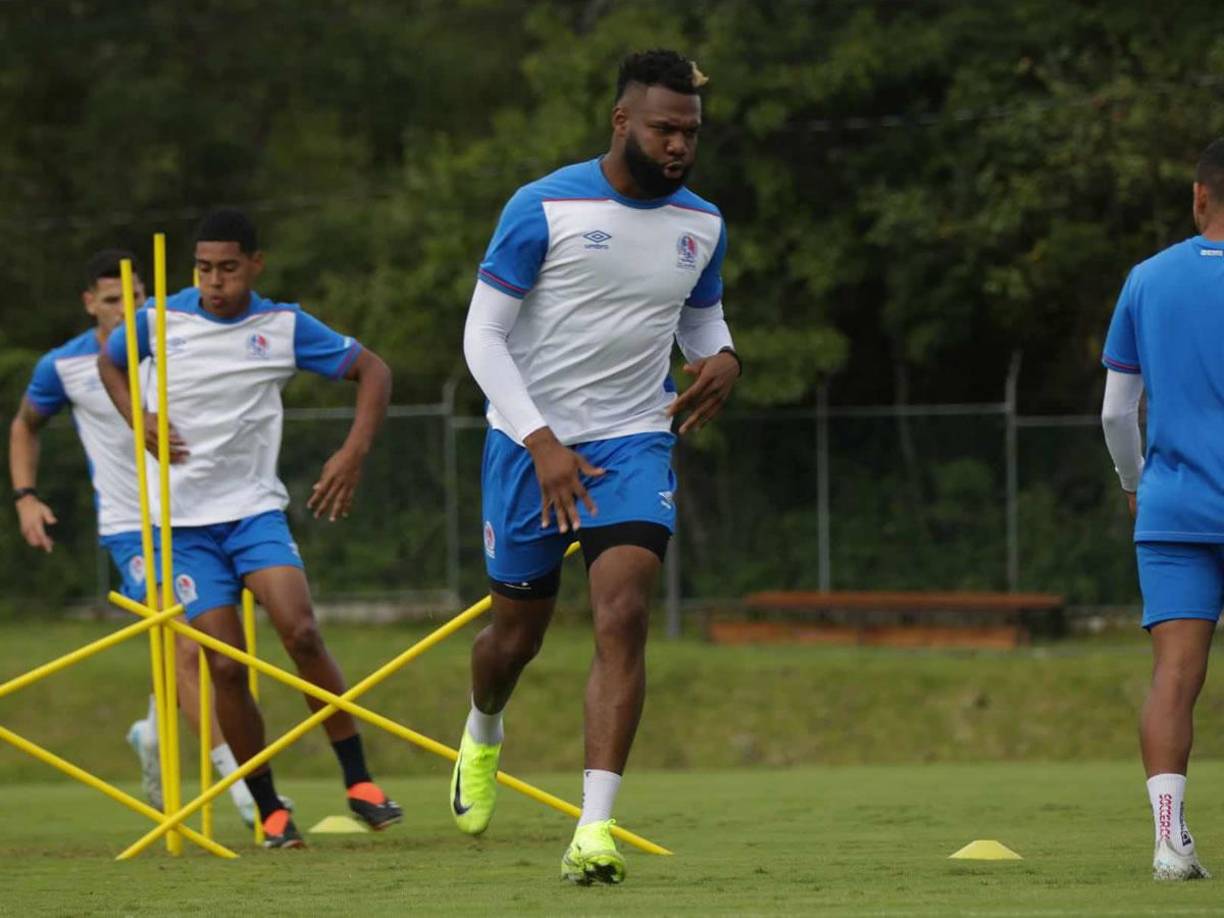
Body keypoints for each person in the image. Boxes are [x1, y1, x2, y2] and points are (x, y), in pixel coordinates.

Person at [452, 49, 741, 884]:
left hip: (633, 438)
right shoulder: (542, 206)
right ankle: (483, 728)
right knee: (514, 639)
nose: (679, 145)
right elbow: (482, 337)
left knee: (623, 612)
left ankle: (594, 829)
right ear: (622, 122)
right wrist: (541, 441)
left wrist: (725, 357)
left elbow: (700, 323)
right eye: (664, 129)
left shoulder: (703, 224)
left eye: (690, 132)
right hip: (527, 444)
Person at [98, 209, 399, 848]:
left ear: (256, 265)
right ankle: (269, 810)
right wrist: (137, 416)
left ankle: (360, 783)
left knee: (301, 630)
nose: (215, 281)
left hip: (254, 513)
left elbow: (374, 371)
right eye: (204, 268)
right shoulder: (158, 320)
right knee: (226, 666)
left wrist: (353, 453)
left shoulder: (283, 326)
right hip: (183, 528)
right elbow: (110, 362)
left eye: (229, 268)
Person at [8, 249, 265, 826]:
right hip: (132, 529)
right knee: (188, 646)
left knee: (220, 650)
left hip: (197, 515)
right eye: (111, 301)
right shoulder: (64, 367)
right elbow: (25, 425)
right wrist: (26, 496)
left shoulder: (176, 340)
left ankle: (154, 728)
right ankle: (244, 789)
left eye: (136, 299)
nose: (125, 310)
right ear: (89, 304)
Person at [1100, 137, 1224, 881]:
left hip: (1173, 506)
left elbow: (1118, 411)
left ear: (1199, 194)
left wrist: (1134, 483)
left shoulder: (1147, 279)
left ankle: (1169, 843)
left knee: (1174, 676)